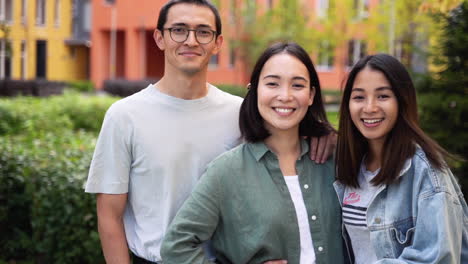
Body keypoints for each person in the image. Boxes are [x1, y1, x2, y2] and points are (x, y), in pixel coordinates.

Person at [85, 1, 335, 263]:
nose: (191, 41)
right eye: (179, 30)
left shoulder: (241, 114)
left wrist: (329, 136)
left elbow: (289, 140)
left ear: (218, 43)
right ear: (159, 38)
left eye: (203, 32)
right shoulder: (125, 116)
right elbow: (109, 216)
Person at [160, 42, 345, 264]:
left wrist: (338, 139)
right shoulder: (226, 171)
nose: (285, 96)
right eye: (272, 84)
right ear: (255, 89)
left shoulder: (333, 161)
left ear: (311, 95)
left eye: (297, 85)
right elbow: (176, 247)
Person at [334, 53, 468, 263]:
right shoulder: (347, 165)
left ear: (402, 101)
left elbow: (438, 258)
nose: (369, 107)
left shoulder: (428, 172)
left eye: (383, 96)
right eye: (359, 97)